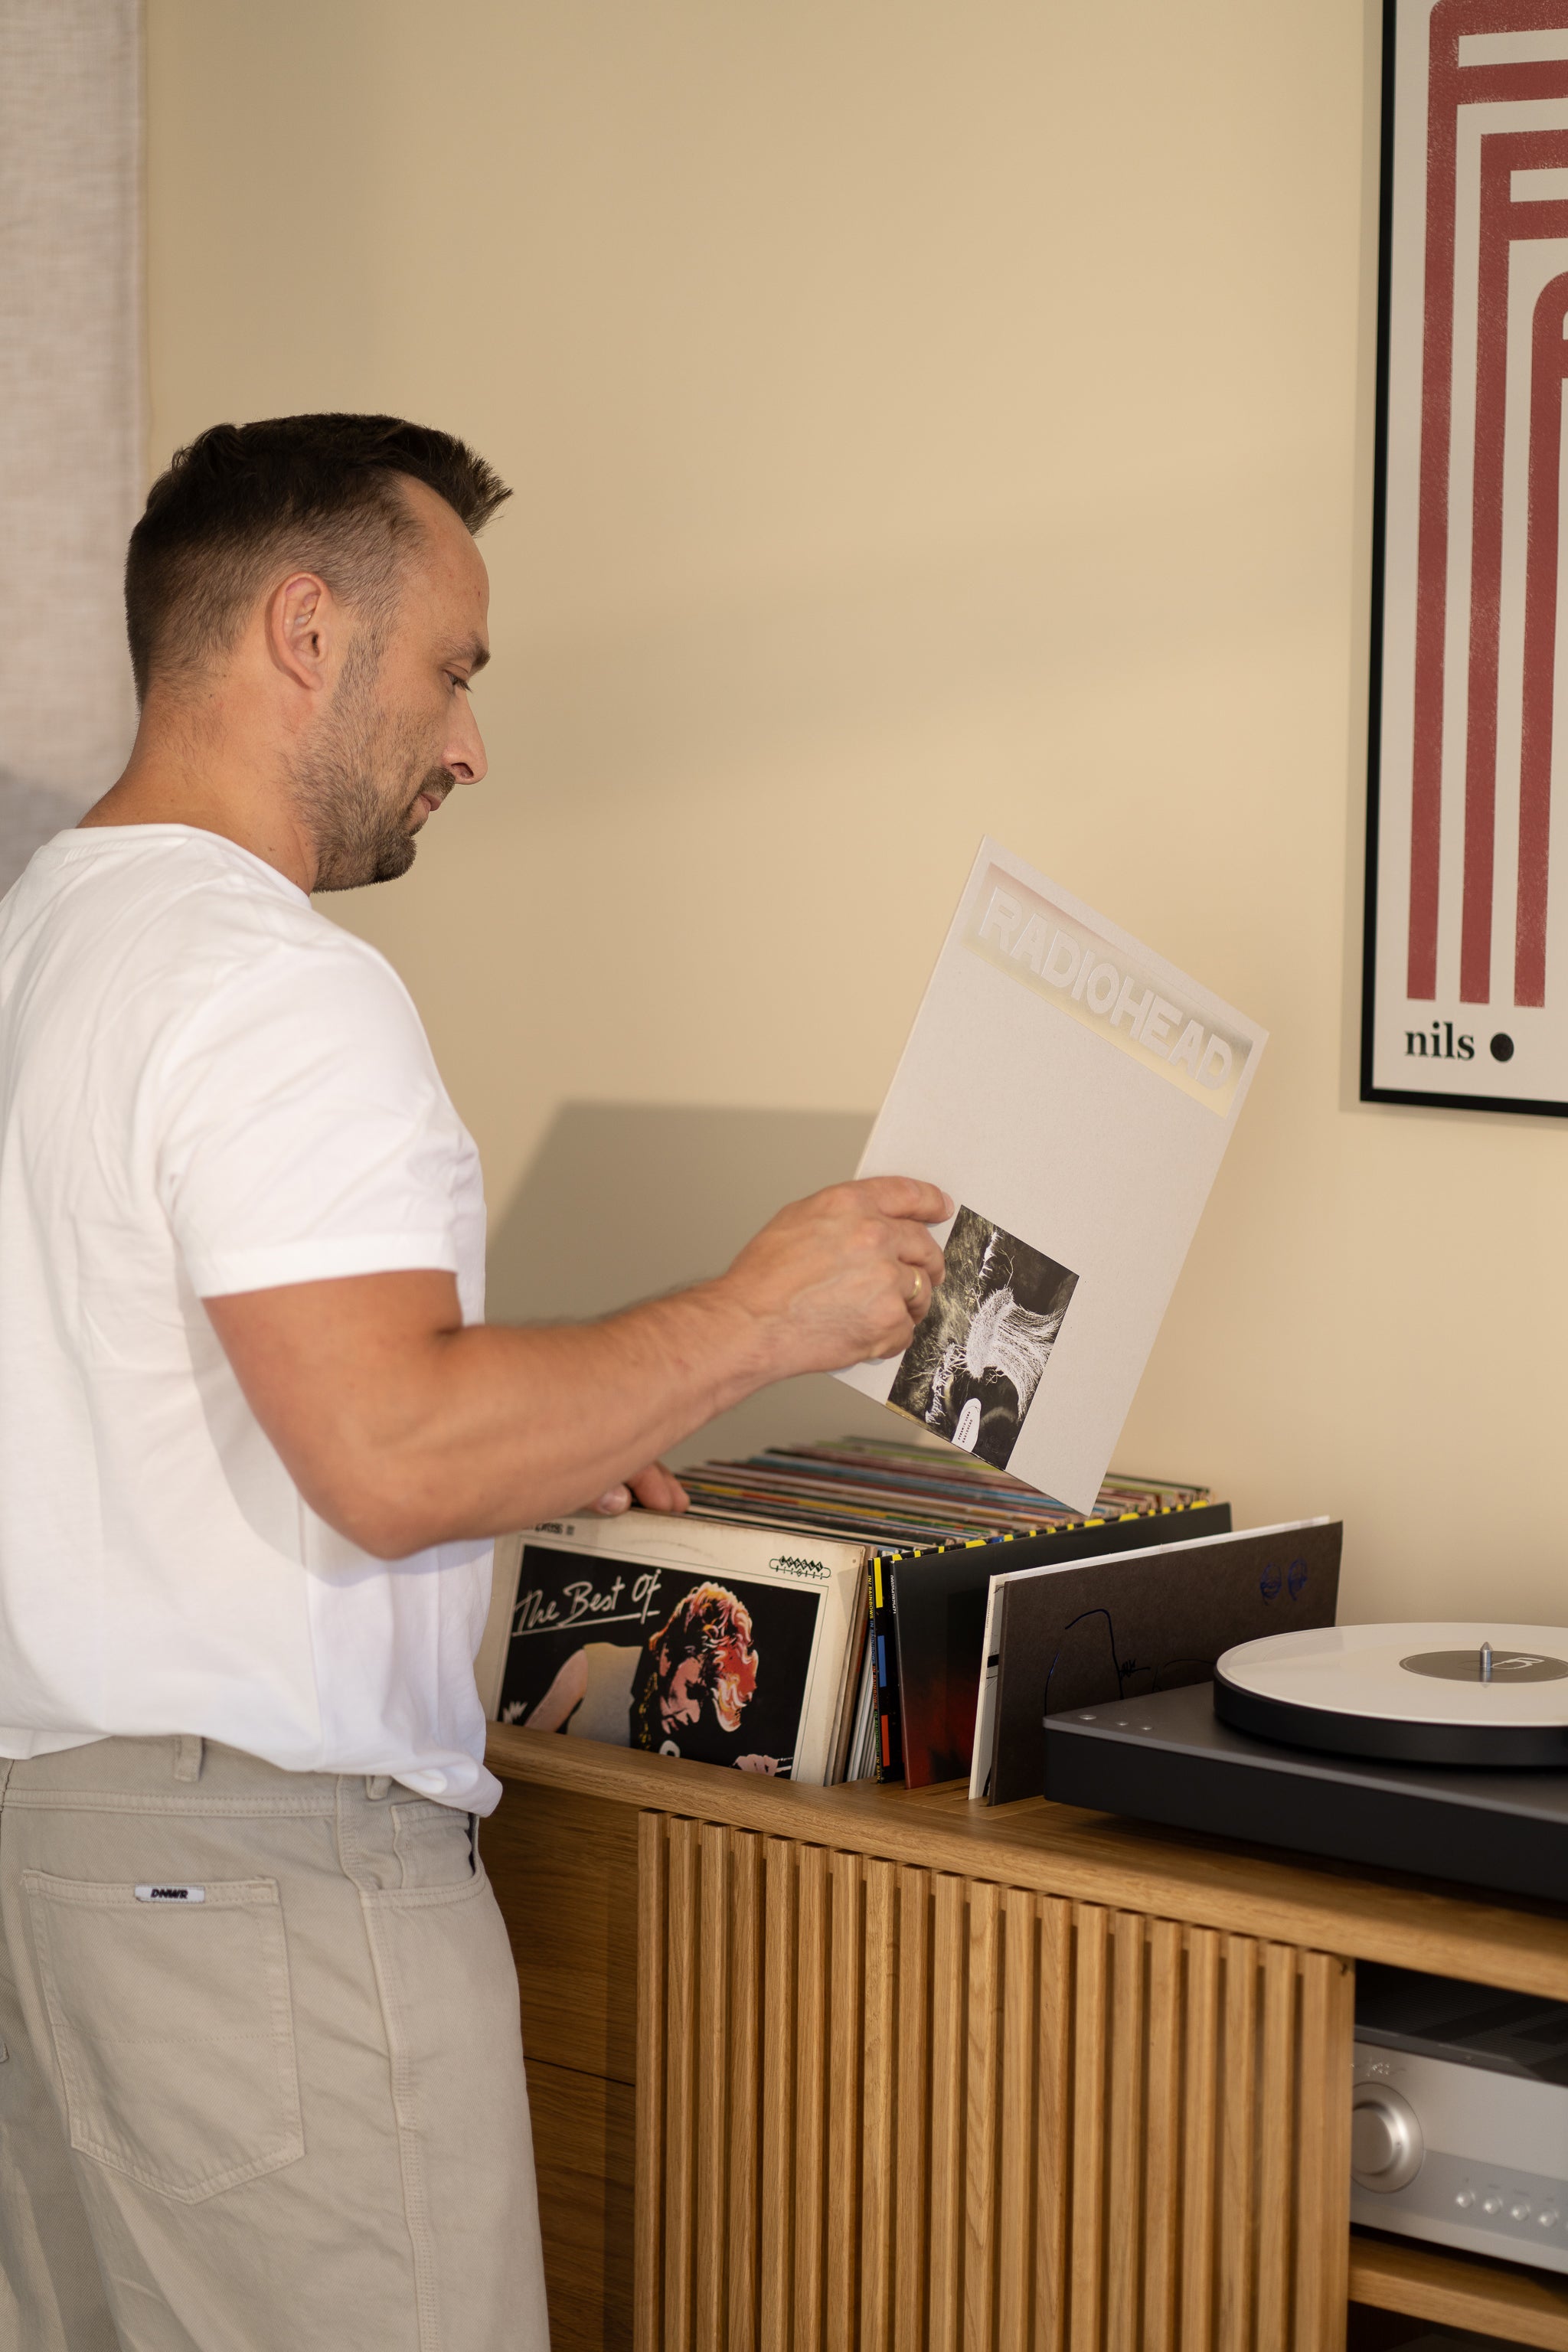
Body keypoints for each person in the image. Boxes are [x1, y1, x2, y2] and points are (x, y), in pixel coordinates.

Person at [0, 413, 947, 2352]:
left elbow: (157, 1403)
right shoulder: (270, 984)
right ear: (304, 632)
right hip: (260, 1903)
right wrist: (761, 1315)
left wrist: (548, 1440)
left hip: (61, 1883)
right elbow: (382, 1445)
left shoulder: (43, 942)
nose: (468, 744)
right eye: (455, 670)